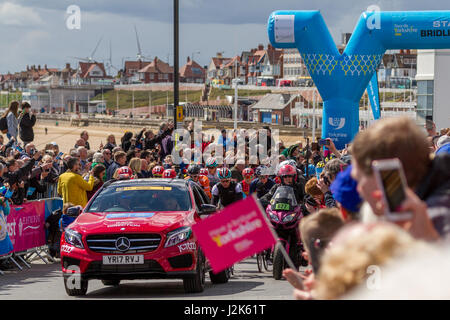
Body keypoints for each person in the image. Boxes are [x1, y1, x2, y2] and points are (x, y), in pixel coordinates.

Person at [350, 117, 450, 240]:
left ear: (383, 171)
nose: (359, 189)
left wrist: (430, 242)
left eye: (359, 178)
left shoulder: (439, 220)